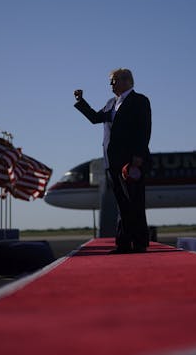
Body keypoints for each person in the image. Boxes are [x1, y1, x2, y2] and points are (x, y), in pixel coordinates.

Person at [74, 68, 152, 254]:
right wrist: (81, 101)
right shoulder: (111, 103)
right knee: (122, 204)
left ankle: (140, 243)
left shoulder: (139, 101)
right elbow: (95, 118)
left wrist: (138, 156)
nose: (110, 85)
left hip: (132, 162)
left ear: (125, 81)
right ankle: (124, 244)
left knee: (135, 202)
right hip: (112, 161)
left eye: (113, 80)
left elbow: (144, 129)